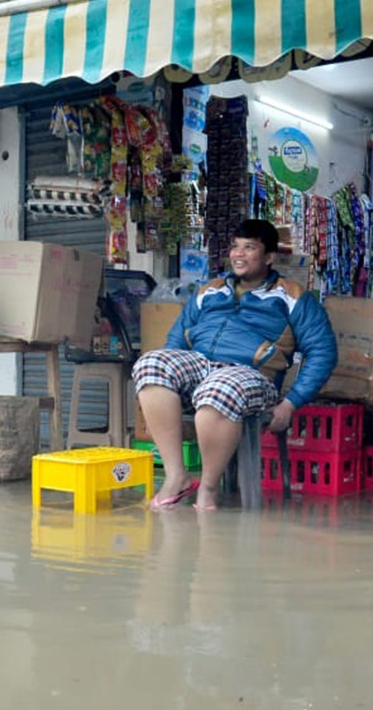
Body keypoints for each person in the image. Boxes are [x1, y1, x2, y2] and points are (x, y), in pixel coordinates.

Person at [133, 219, 337, 511]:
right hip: (201, 365)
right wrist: (173, 379)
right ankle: (176, 476)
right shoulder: (210, 290)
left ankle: (207, 488)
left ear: (268, 257)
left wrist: (291, 403)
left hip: (252, 376)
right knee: (151, 364)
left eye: (249, 248)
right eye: (235, 247)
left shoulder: (292, 297)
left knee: (219, 389)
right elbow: (176, 340)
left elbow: (323, 353)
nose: (238, 254)